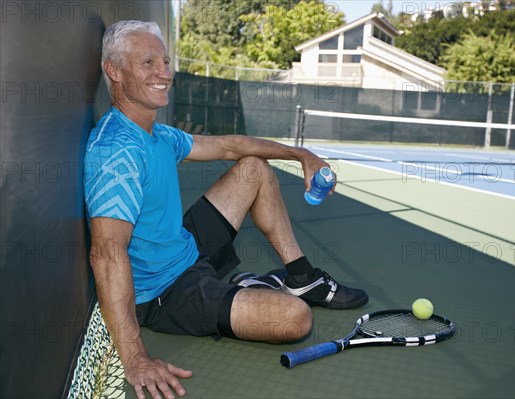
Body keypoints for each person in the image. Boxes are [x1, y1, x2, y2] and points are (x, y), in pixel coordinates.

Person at [84, 20, 368, 399]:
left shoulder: (158, 134)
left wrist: (300, 154)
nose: (163, 73)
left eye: (166, 62)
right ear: (114, 71)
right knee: (295, 318)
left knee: (253, 168)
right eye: (148, 62)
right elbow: (107, 253)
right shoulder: (116, 150)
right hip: (164, 291)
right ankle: (250, 288)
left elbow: (233, 147)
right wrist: (135, 358)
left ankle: (301, 277)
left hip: (184, 247)